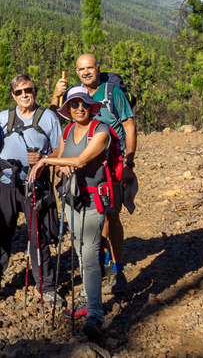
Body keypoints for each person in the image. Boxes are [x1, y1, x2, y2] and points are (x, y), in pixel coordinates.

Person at [31, 86, 115, 344]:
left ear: (91, 106)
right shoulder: (67, 131)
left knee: (89, 256)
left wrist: (45, 161)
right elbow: (63, 163)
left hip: (93, 201)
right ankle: (88, 299)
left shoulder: (101, 131)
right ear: (68, 109)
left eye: (84, 104)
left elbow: (79, 161)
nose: (80, 109)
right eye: (74, 105)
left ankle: (95, 315)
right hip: (71, 199)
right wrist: (59, 168)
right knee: (79, 250)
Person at [51, 54, 137, 294]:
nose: (86, 72)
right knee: (93, 216)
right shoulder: (75, 94)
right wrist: (56, 95)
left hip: (111, 166)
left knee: (111, 215)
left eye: (90, 68)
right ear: (76, 72)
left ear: (98, 69)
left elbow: (129, 126)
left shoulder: (112, 93)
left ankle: (116, 269)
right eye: (81, 69)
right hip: (84, 169)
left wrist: (129, 163)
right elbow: (56, 120)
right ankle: (99, 263)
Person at [0, 73, 63, 307]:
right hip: (6, 183)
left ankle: (46, 287)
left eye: (28, 90)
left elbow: (59, 150)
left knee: (38, 235)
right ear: (13, 95)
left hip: (36, 184)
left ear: (35, 91)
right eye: (19, 92)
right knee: (3, 233)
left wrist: (43, 158)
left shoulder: (49, 118)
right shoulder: (3, 118)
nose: (24, 95)